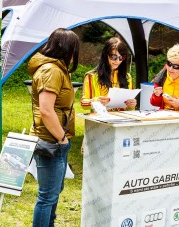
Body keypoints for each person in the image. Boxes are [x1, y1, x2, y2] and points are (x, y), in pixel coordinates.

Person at [28, 28, 80, 227]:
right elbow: (47, 110)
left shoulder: (57, 69)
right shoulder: (51, 71)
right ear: (66, 49)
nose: (76, 54)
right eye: (74, 49)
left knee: (53, 193)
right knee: (47, 197)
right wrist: (62, 139)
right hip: (51, 141)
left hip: (56, 139)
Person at [80, 37, 137, 111]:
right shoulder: (91, 76)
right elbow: (83, 103)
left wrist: (131, 105)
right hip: (99, 120)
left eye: (121, 57)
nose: (117, 61)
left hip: (121, 120)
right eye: (113, 56)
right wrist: (95, 101)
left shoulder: (127, 77)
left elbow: (129, 108)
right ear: (105, 55)